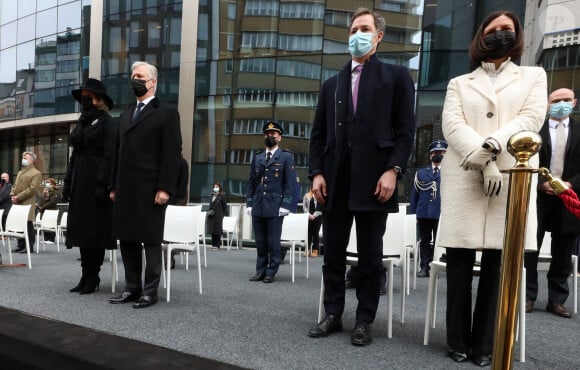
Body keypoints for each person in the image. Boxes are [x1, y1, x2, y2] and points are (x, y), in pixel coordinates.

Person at [438, 11, 547, 366]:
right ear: (480, 37)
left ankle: (485, 344)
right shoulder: (459, 82)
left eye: (507, 30)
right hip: (467, 174)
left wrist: (493, 147)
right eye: (492, 30)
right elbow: (452, 125)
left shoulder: (533, 76)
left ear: (516, 36)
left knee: (498, 266)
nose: (499, 35)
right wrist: (484, 160)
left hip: (511, 175)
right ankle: (456, 340)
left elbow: (530, 119)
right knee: (459, 263)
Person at [307, 8, 416, 346]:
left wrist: (393, 170)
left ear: (379, 36)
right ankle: (333, 314)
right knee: (333, 254)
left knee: (370, 256)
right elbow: (318, 136)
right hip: (335, 184)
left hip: (375, 184)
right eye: (354, 29)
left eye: (365, 28)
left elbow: (405, 132)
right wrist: (316, 174)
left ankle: (365, 319)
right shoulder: (332, 84)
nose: (358, 34)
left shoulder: (396, 78)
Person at [109, 61, 182, 308]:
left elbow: (172, 154)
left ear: (152, 82)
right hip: (125, 188)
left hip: (151, 189)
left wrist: (165, 188)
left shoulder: (167, 112)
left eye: (139, 76)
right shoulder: (125, 114)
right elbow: (117, 153)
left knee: (150, 240)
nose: (135, 80)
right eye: (132, 76)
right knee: (127, 239)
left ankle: (150, 291)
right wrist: (113, 186)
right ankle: (132, 288)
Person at [524, 88, 580, 318]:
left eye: (566, 100)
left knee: (563, 251)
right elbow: (524, 161)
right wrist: (539, 183)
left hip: (569, 197)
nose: (561, 104)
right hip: (539, 197)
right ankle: (528, 295)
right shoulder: (534, 131)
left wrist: (570, 184)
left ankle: (557, 300)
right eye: (556, 101)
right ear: (548, 105)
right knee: (530, 248)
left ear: (574, 102)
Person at [62, 78, 117, 295]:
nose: (84, 99)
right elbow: (74, 155)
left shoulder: (107, 122)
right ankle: (85, 275)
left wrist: (102, 184)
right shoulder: (82, 122)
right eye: (83, 95)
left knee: (95, 233)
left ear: (98, 99)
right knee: (82, 232)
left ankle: (93, 276)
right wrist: (67, 181)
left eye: (88, 95)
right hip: (80, 182)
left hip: (97, 183)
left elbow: (109, 155)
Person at [246, 120, 297, 284]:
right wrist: (249, 203)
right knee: (260, 241)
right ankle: (260, 270)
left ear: (279, 137)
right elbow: (252, 182)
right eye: (267, 134)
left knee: (273, 241)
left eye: (273, 134)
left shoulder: (286, 156)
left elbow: (290, 184)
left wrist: (286, 204)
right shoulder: (257, 157)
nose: (270, 136)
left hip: (275, 206)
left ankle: (271, 271)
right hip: (259, 204)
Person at [409, 140, 447, 278]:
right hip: (423, 213)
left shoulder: (449, 173)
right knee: (424, 241)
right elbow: (415, 195)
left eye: (441, 153)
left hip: (440, 214)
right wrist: (412, 215)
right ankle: (424, 267)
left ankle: (434, 266)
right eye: (435, 153)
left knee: (438, 242)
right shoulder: (421, 174)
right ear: (430, 155)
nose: (438, 155)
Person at [10, 152, 42, 253]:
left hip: (27, 201)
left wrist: (18, 197)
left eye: (25, 158)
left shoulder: (36, 173)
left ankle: (29, 246)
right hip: (17, 201)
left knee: (28, 224)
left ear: (32, 160)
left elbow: (32, 189)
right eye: (23, 157)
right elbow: (14, 185)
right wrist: (12, 195)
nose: (23, 159)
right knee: (19, 223)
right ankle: (20, 244)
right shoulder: (20, 172)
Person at [37, 178, 60, 242]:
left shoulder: (56, 191)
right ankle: (46, 239)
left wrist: (43, 207)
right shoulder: (46, 191)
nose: (47, 184)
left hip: (51, 211)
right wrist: (43, 196)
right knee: (45, 225)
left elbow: (53, 201)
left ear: (52, 184)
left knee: (51, 225)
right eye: (46, 182)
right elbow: (41, 200)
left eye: (48, 183)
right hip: (44, 211)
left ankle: (51, 239)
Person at [208, 183, 227, 250]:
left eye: (217, 186)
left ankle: (217, 245)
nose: (215, 187)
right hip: (212, 214)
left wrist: (222, 215)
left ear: (219, 187)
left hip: (218, 215)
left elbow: (225, 206)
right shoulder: (212, 195)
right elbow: (211, 205)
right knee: (212, 230)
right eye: (214, 186)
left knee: (217, 230)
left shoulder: (222, 195)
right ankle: (213, 244)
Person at [302, 190, 322, 257]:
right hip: (308, 217)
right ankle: (307, 250)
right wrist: (309, 215)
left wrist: (314, 215)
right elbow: (304, 206)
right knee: (308, 233)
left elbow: (321, 206)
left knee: (315, 233)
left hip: (318, 217)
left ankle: (315, 250)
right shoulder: (307, 195)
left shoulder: (319, 194)